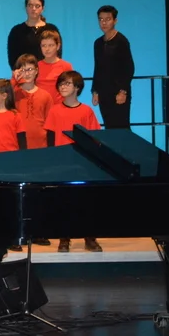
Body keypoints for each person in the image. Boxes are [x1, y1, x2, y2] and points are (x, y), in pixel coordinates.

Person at [45, 71, 103, 254]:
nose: (63, 87)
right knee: (63, 201)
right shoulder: (54, 110)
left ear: (77, 87)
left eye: (67, 83)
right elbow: (50, 137)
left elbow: (94, 137)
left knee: (86, 201)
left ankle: (89, 237)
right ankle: (64, 237)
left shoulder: (86, 111)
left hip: (83, 162)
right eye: (61, 83)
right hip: (62, 162)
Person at [92, 5, 134, 129]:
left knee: (121, 127)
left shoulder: (121, 41)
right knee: (109, 127)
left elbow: (129, 67)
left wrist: (123, 91)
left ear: (115, 20)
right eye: (101, 19)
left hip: (118, 92)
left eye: (108, 19)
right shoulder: (98, 43)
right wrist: (95, 91)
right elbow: (97, 68)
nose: (104, 23)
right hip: (103, 92)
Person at [6, 0, 62, 67]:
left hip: (49, 71)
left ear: (43, 8)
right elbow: (12, 58)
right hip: (25, 72)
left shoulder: (52, 29)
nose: (33, 9)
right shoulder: (16, 31)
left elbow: (58, 54)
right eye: (30, 5)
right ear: (26, 7)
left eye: (37, 6)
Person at [11, 54, 54, 149]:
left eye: (30, 69)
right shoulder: (13, 93)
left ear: (36, 71)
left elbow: (50, 124)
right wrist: (14, 79)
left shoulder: (46, 96)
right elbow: (2, 99)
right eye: (23, 70)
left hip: (41, 144)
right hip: (17, 143)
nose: (27, 73)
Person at [35, 30, 73, 104]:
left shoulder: (66, 66)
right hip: (40, 107)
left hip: (59, 107)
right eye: (44, 45)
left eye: (51, 45)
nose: (47, 49)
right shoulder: (36, 66)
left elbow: (70, 90)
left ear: (58, 46)